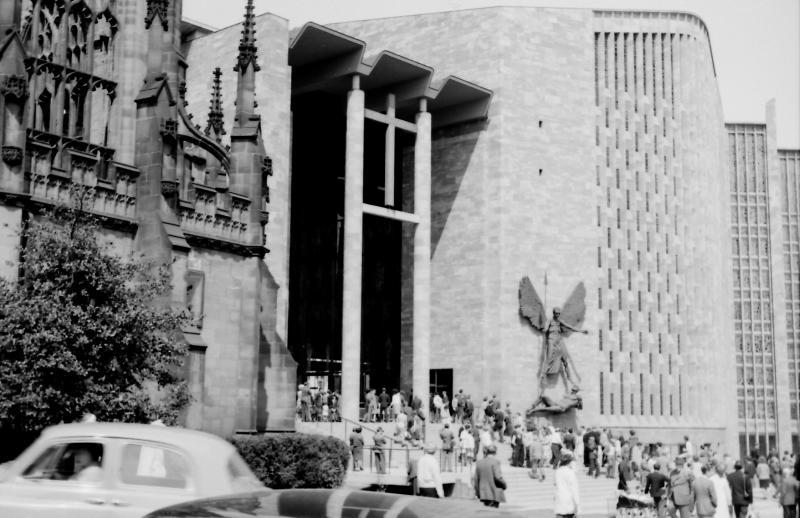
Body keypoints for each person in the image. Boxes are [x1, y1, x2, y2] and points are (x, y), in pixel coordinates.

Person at [473, 444, 507, 508]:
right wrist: (504, 485)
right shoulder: (495, 462)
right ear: (495, 452)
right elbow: (498, 477)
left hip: (483, 493)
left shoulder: (479, 462)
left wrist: (478, 492)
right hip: (494, 494)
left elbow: (476, 480)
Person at [554, 451, 580, 518]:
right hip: (569, 501)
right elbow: (574, 489)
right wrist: (577, 504)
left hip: (559, 500)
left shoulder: (557, 471)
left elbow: (555, 484)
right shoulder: (570, 473)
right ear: (569, 462)